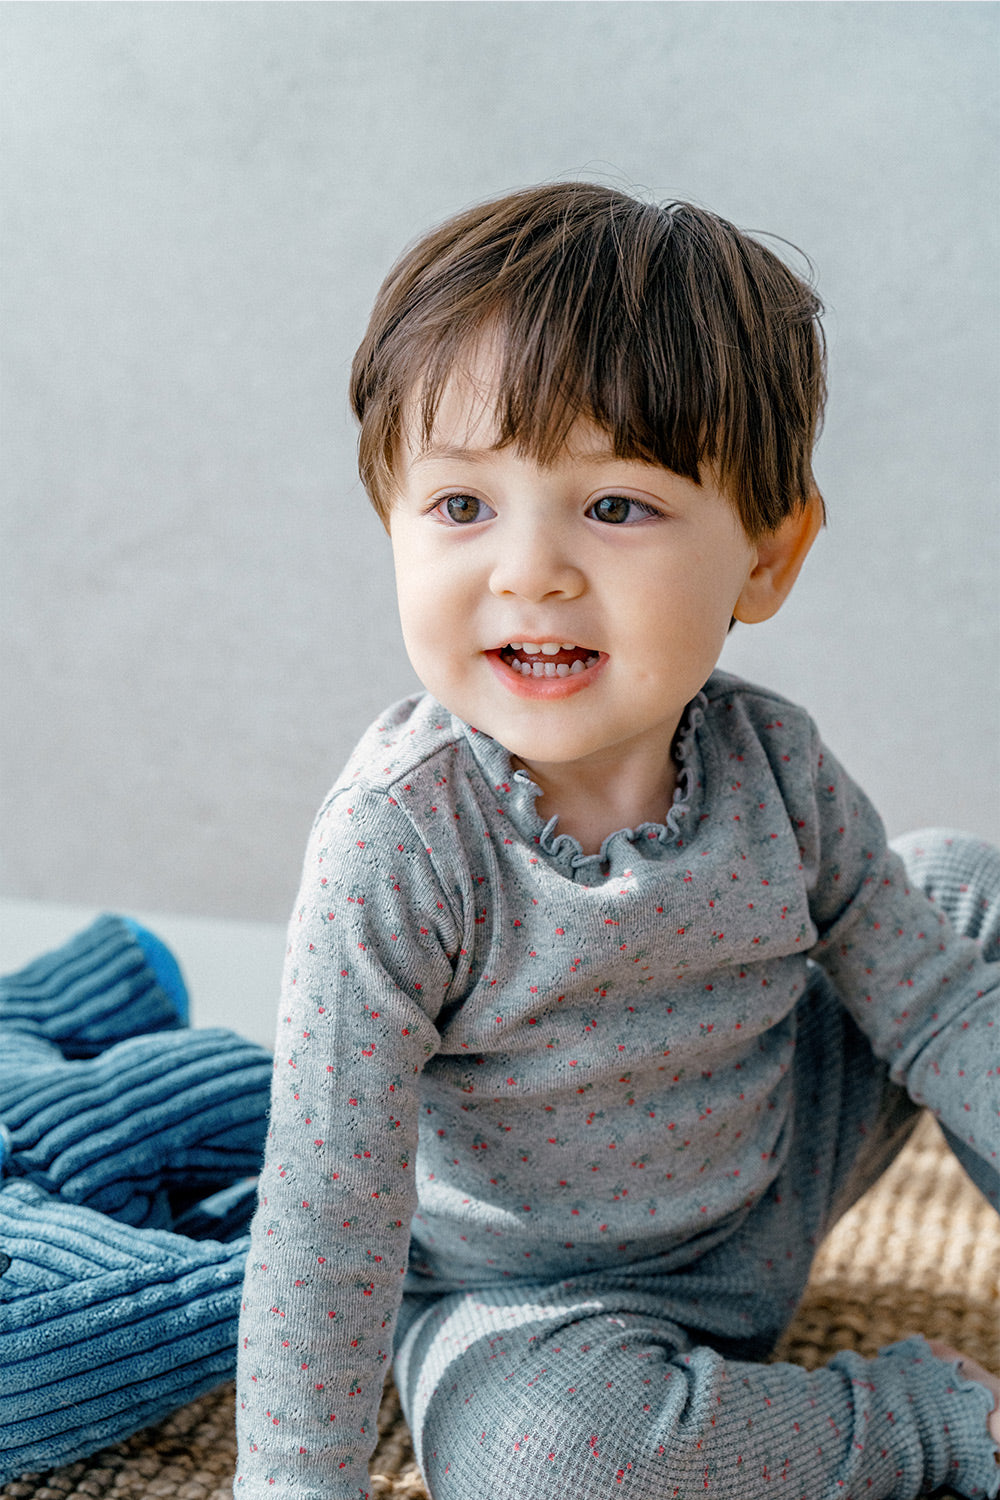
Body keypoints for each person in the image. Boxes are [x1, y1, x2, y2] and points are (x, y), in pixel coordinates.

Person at [233, 184, 1000, 1499]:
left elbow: (926, 1002)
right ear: (393, 527)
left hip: (772, 1175)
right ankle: (927, 1423)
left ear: (768, 556)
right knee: (550, 1460)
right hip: (530, 1298)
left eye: (616, 508)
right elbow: (330, 1202)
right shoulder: (400, 844)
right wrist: (294, 1481)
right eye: (464, 507)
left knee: (963, 894)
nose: (529, 571)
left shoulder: (778, 767)